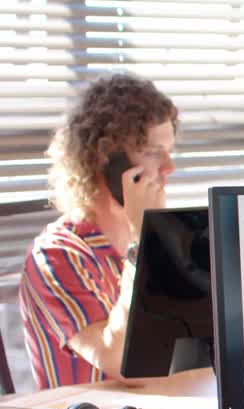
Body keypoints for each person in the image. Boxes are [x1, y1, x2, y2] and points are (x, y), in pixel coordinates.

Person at [19, 73, 177, 389]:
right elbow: (123, 362)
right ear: (108, 161)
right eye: (151, 152)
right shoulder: (57, 255)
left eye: (170, 151)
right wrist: (143, 240)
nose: (169, 167)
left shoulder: (165, 244)